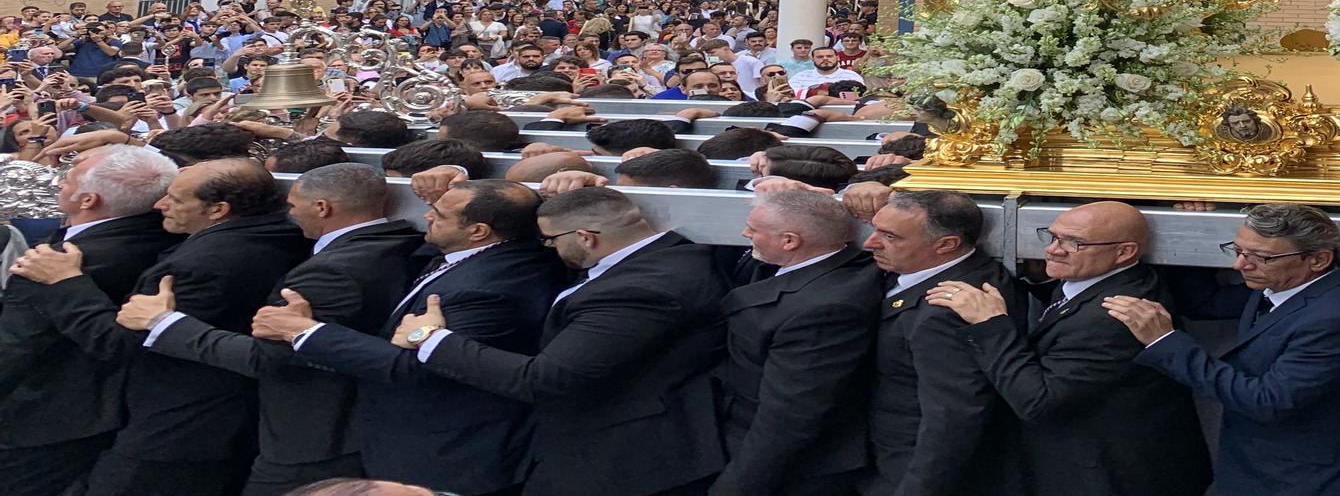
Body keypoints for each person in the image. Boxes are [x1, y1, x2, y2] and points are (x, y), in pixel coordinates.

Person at [387, 187, 729, 496]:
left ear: (585, 238)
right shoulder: (661, 254)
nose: (547, 247)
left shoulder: (641, 291)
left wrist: (430, 339)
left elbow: (544, 380)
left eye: (550, 239)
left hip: (622, 458)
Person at [121, 163, 429, 496]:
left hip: (312, 436)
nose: (288, 214)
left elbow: (268, 358)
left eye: (293, 206)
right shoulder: (397, 241)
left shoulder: (330, 272)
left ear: (321, 208)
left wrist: (164, 324)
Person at [11, 157, 310, 496]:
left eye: (176, 199)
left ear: (218, 210)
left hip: (178, 426)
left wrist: (66, 282)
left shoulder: (201, 264)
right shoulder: (276, 234)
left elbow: (122, 343)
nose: (159, 205)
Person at [268, 181, 565, 496]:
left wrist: (305, 331)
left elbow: (418, 367)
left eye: (439, 214)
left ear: (478, 231)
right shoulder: (494, 250)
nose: (426, 217)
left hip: (449, 452)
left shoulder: (490, 288)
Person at [1104, 202, 1340, 496]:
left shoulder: (1338, 319)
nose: (1240, 266)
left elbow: (1267, 401)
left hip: (1315, 482)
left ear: (1318, 259)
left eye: (1262, 258)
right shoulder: (1280, 287)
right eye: (1239, 251)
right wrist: (1196, 224)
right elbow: (1206, 303)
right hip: (1259, 474)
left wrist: (1164, 342)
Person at [927, 200, 1211, 496]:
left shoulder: (1111, 318)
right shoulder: (1115, 279)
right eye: (1052, 236)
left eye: (1075, 243)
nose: (1052, 250)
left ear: (1125, 251)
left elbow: (1038, 402)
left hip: (1108, 477)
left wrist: (990, 323)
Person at [0, 147, 177, 496]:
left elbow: (14, 345)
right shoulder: (167, 238)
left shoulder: (51, 264)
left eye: (66, 179)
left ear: (88, 200)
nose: (58, 184)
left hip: (39, 417)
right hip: (107, 412)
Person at [712, 191, 881, 496]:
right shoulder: (810, 265)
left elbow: (790, 416)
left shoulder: (826, 309)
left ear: (789, 241)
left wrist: (733, 488)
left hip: (789, 466)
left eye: (753, 230)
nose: (744, 234)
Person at [859, 190, 1021, 496]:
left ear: (946, 245)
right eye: (875, 229)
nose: (870, 243)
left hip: (906, 468)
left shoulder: (947, 310)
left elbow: (952, 416)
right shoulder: (947, 271)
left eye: (890, 236)